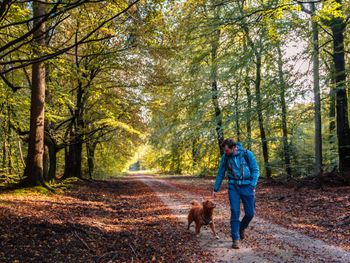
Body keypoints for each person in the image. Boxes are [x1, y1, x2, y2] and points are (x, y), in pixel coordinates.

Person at [212, 138, 260, 249]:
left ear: (234, 148)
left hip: (247, 186)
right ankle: (235, 239)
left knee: (250, 213)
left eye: (227, 150)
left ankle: (241, 227)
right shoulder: (225, 158)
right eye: (224, 151)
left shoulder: (247, 154)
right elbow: (220, 173)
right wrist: (215, 189)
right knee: (235, 211)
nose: (225, 152)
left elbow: (255, 170)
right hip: (233, 187)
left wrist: (252, 185)